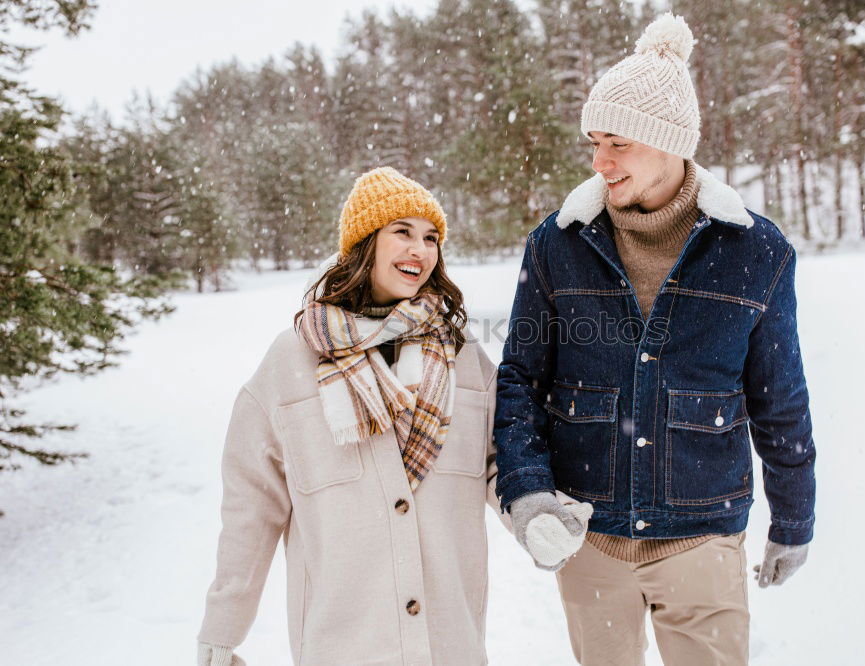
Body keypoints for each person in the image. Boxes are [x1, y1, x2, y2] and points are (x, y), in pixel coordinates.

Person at [493, 12, 816, 666]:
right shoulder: (556, 246)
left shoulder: (756, 252)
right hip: (589, 536)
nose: (599, 161)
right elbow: (520, 380)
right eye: (593, 142)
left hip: (703, 537)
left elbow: (779, 397)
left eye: (617, 142)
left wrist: (794, 518)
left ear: (667, 142)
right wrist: (527, 493)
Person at [197, 167, 500, 666]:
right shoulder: (290, 362)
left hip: (449, 643)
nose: (420, 250)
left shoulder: (461, 355)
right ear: (364, 244)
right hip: (342, 642)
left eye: (431, 238)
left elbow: (501, 462)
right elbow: (252, 504)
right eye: (402, 232)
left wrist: (539, 516)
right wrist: (224, 624)